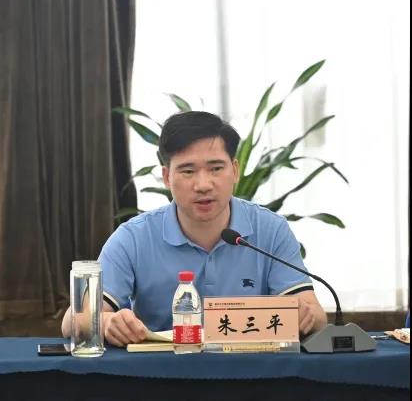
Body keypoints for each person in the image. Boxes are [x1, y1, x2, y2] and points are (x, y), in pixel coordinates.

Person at [61, 111, 327, 346]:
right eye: (188, 171)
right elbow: (73, 320)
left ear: (235, 171)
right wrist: (107, 323)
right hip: (161, 373)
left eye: (216, 168)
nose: (203, 185)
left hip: (252, 370)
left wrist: (306, 315)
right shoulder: (133, 238)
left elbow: (313, 313)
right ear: (167, 177)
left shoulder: (270, 230)